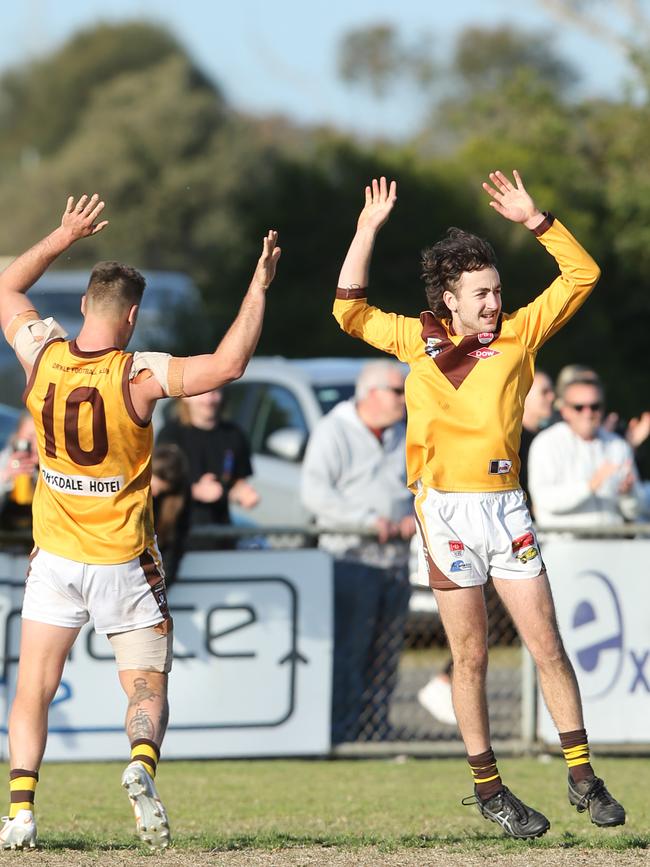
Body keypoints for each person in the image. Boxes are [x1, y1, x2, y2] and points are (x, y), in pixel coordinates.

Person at [332, 172, 625, 838]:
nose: (495, 302)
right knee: (470, 657)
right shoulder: (416, 340)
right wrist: (366, 229)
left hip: (506, 508)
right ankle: (490, 787)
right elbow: (347, 309)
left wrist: (537, 220)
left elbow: (583, 275)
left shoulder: (520, 337)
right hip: (445, 513)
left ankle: (582, 773)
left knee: (546, 644)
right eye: (482, 293)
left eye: (498, 290)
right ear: (450, 300)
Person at [0, 193, 280, 850]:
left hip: (56, 559)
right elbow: (227, 364)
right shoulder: (139, 373)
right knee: (148, 683)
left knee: (34, 685)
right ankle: (140, 764)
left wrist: (62, 235)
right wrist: (258, 284)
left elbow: (8, 284)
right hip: (123, 562)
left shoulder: (41, 354)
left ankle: (19, 811)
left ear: (85, 309)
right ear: (131, 316)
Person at [300, 359, 414, 742]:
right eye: (397, 391)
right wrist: (366, 520)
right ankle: (343, 731)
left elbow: (421, 484)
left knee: (386, 652)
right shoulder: (333, 431)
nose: (404, 398)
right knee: (350, 649)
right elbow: (315, 493)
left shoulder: (403, 433)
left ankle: (377, 729)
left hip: (395, 560)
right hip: (349, 559)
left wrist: (417, 516)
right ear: (371, 394)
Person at [528, 377, 648, 528]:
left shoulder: (618, 445)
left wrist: (628, 494)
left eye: (595, 406)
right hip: (563, 544)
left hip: (612, 543)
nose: (588, 413)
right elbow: (544, 500)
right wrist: (589, 486)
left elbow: (636, 511)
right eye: (579, 407)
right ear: (565, 410)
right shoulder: (546, 444)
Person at [157, 388, 258, 547]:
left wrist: (242, 492)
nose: (209, 400)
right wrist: (196, 491)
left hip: (220, 536)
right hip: (177, 538)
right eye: (202, 392)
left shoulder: (234, 434)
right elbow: (157, 485)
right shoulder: (170, 434)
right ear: (186, 397)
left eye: (215, 392)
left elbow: (236, 481)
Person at [151, 444, 191, 587]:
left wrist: (160, 584)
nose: (155, 493)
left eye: (162, 490)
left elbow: (173, 550)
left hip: (152, 580)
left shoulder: (175, 504)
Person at [518, 370, 555, 507]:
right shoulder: (510, 442)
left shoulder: (552, 439)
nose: (552, 397)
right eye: (544, 392)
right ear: (525, 393)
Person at [0, 414, 38, 535]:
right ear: (18, 436)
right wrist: (6, 476)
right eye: (30, 436)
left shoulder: (50, 466)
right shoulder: (5, 461)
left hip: (34, 542)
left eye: (40, 437)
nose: (35, 444)